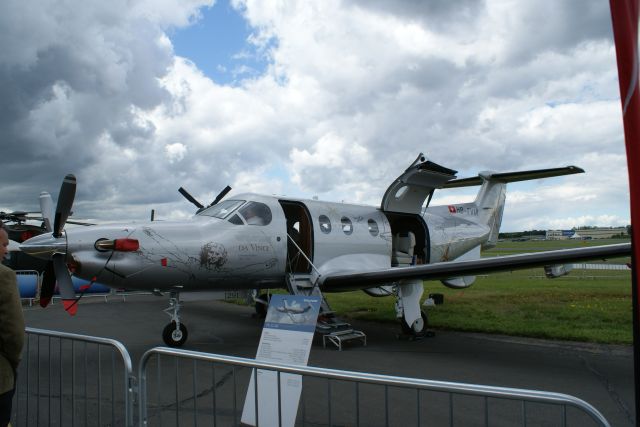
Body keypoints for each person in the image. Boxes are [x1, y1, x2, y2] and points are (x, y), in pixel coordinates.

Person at [0, 223, 24, 427]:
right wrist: (12, 362)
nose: (6, 250)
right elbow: (14, 332)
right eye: (4, 245)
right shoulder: (4, 275)